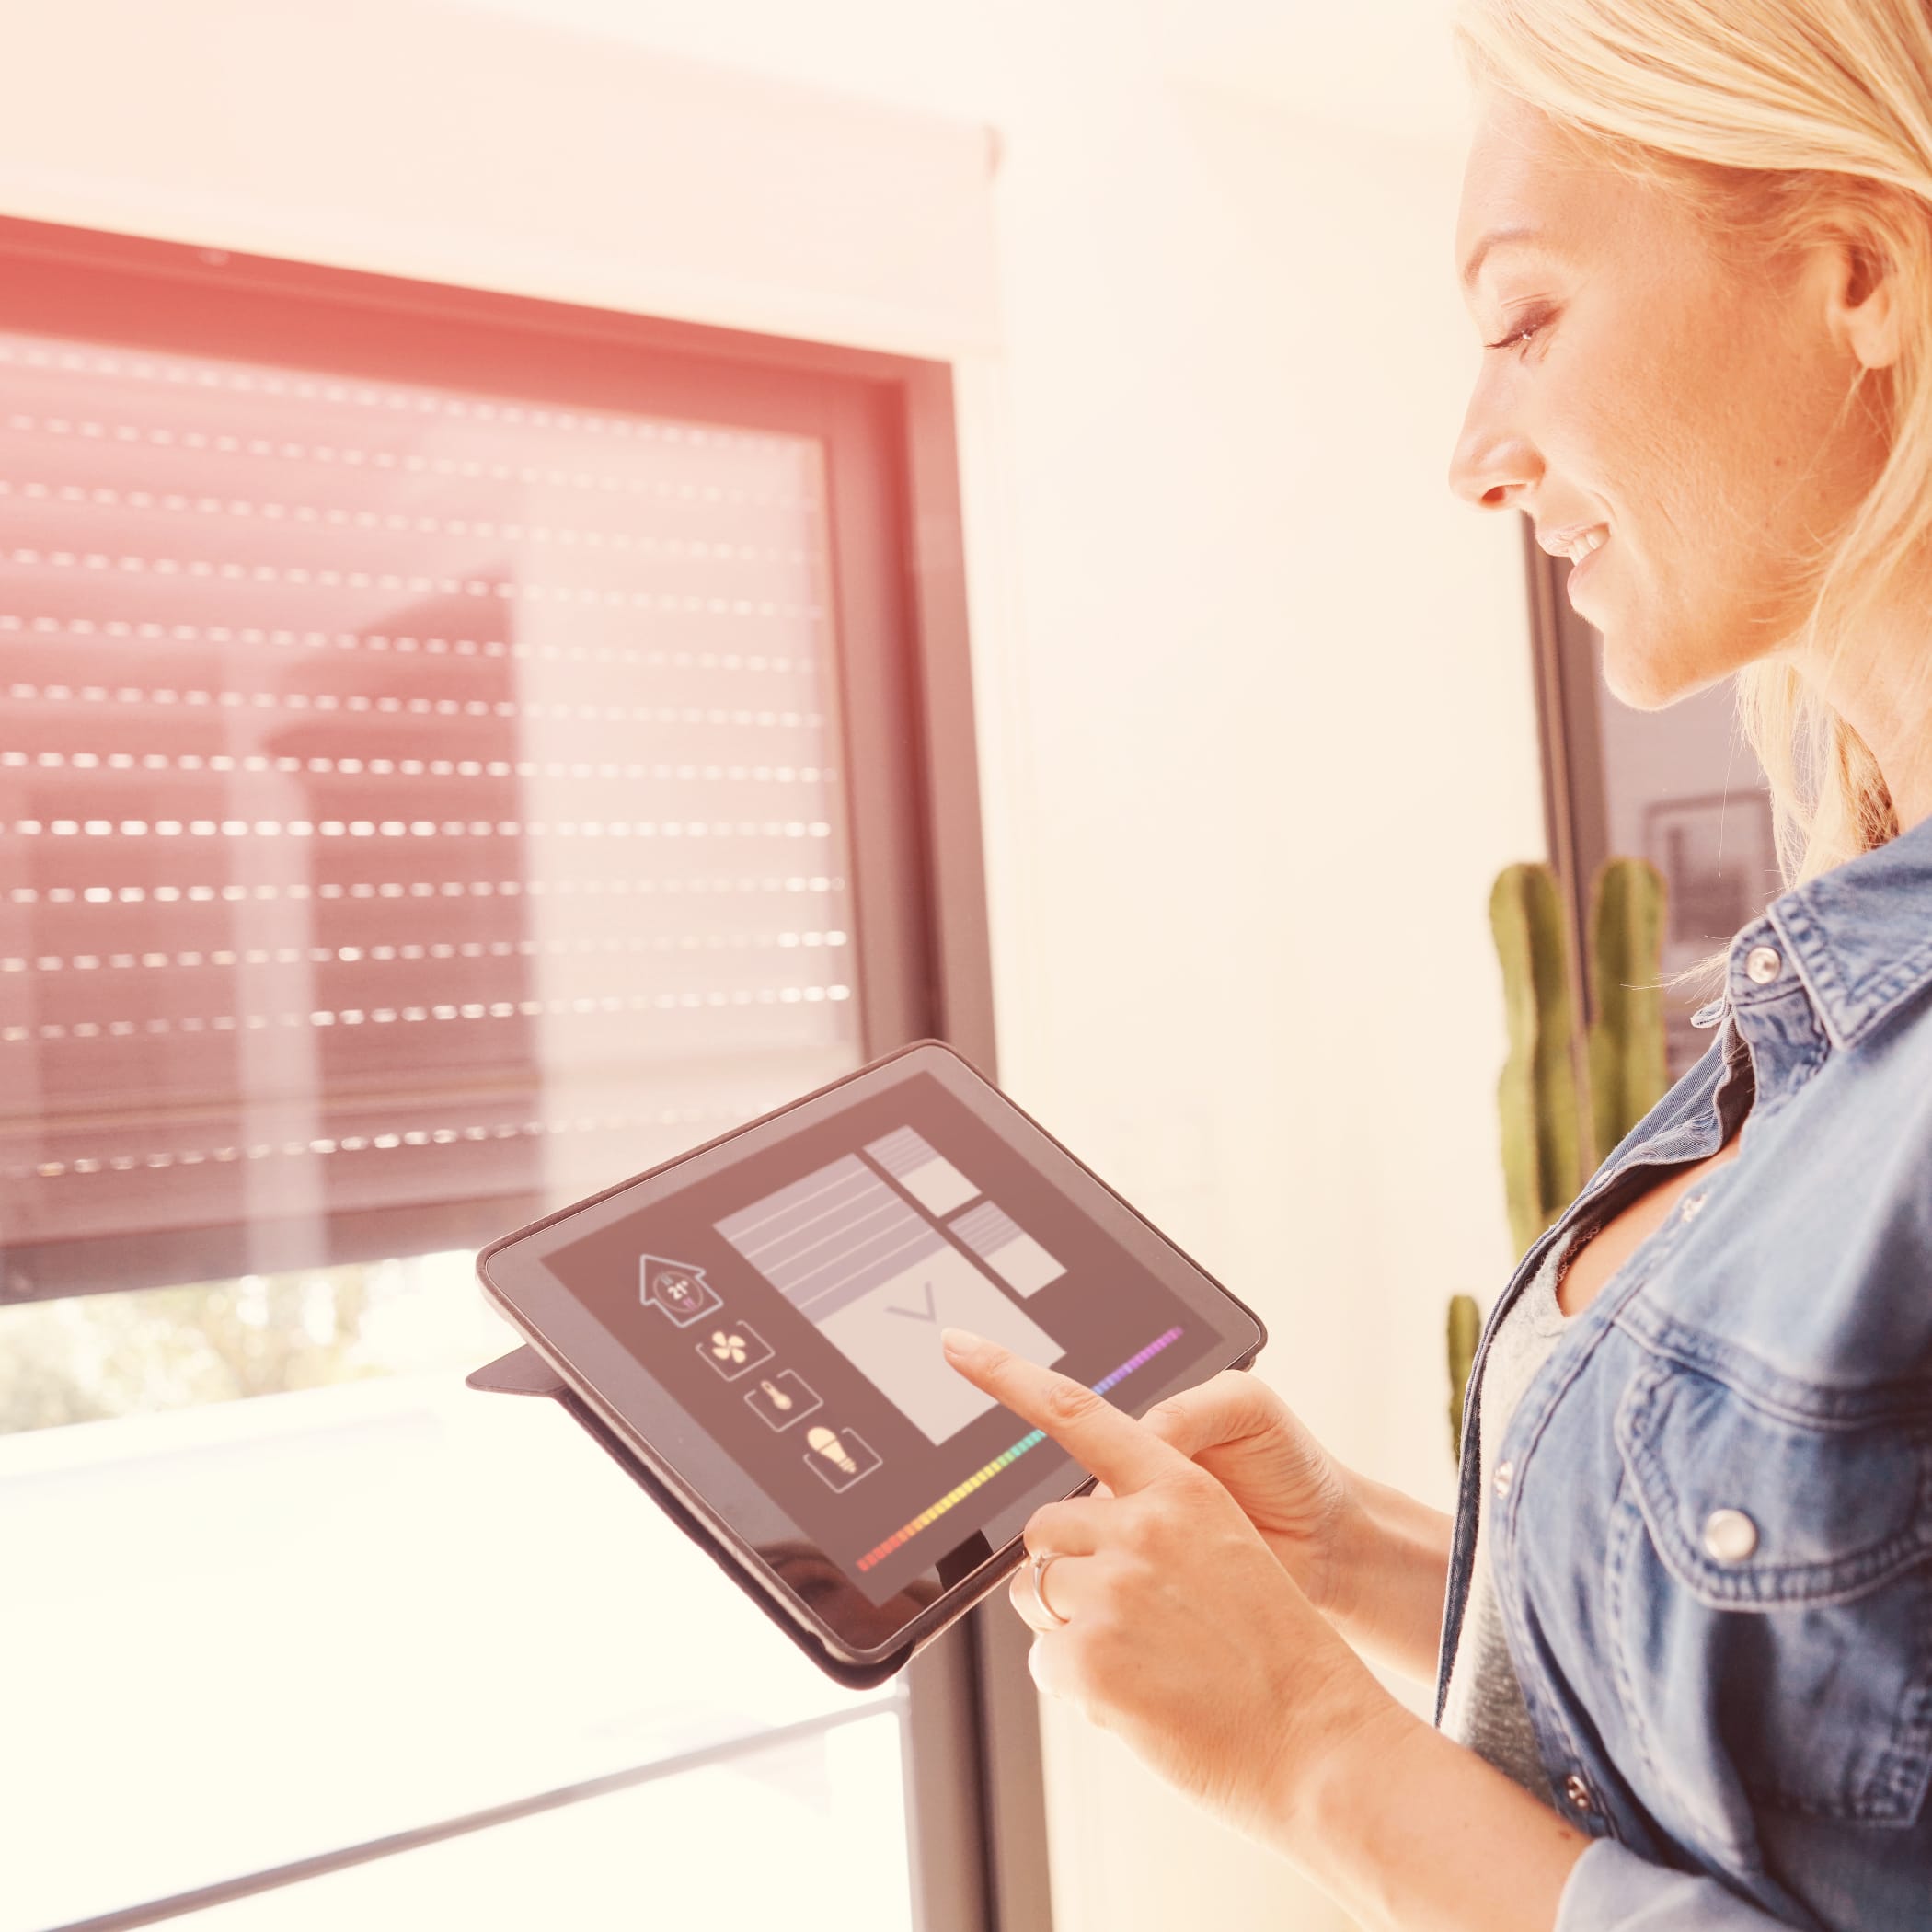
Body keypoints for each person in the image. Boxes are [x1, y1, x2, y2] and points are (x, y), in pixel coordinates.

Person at [941, 2, 1932, 1926]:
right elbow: (1834, 1666)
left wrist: (1310, 1751)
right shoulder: (1831, 994)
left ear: (1855, 271)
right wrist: (1358, 1557)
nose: (1476, 454)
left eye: (1524, 318)